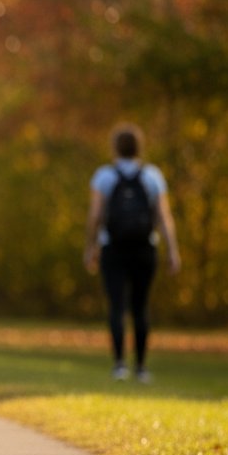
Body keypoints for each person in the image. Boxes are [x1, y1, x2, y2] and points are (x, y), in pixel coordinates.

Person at [83, 123, 180, 383]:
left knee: (116, 306)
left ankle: (119, 365)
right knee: (140, 306)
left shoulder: (104, 176)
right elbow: (164, 217)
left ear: (115, 148)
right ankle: (140, 367)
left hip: (112, 248)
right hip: (144, 248)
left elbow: (95, 215)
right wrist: (172, 250)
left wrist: (90, 247)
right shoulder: (152, 176)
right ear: (139, 147)